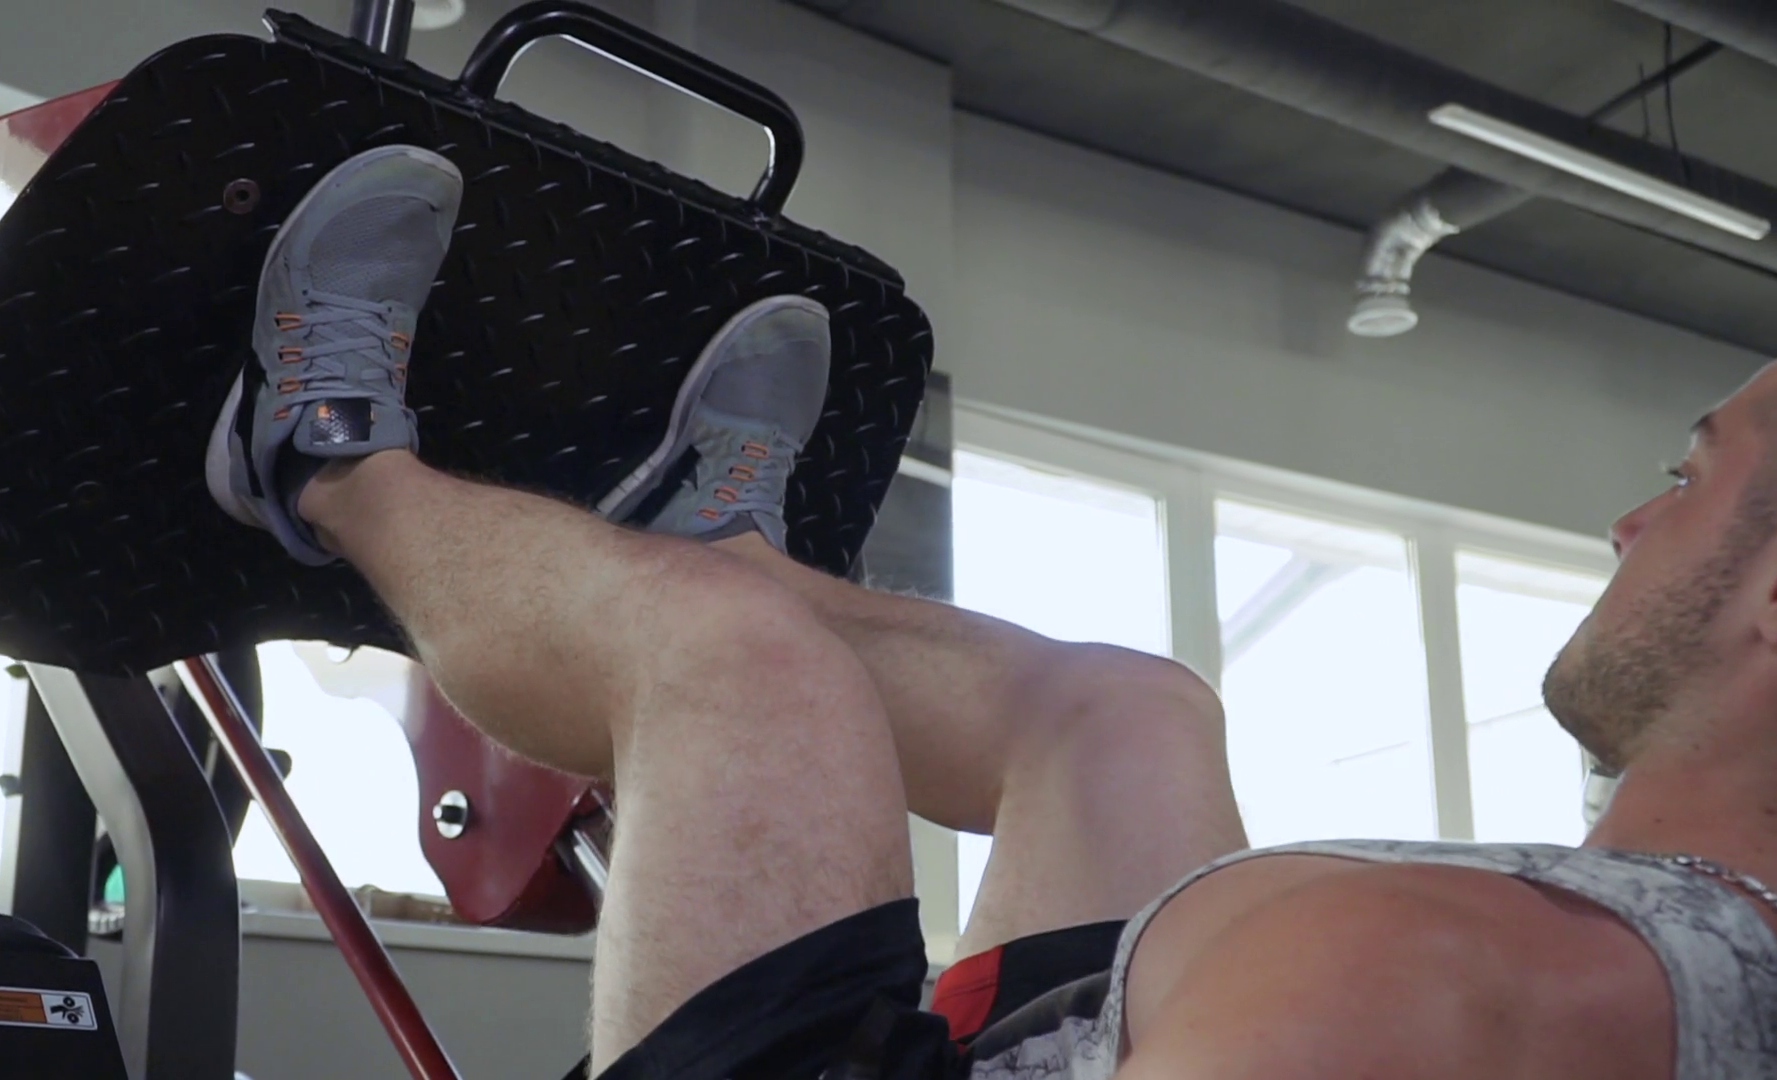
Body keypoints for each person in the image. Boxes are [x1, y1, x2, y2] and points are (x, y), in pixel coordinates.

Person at [205, 146, 1777, 1080]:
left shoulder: (1463, 983)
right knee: (1127, 711)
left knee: (734, 665)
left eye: (1687, 479)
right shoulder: (1659, 940)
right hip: (1066, 1035)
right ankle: (729, 550)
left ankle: (323, 468)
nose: (1630, 523)